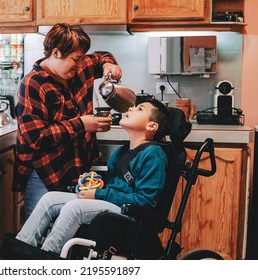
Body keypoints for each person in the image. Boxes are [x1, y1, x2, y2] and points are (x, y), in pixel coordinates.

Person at [15, 98, 171, 255]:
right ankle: (18, 252)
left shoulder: (153, 155)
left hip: (130, 214)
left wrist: (98, 194)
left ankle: (46, 259)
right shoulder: (121, 152)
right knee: (49, 200)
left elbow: (145, 201)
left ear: (152, 126)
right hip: (112, 205)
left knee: (74, 208)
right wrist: (95, 184)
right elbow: (113, 187)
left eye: (140, 109)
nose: (131, 109)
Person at [14, 23, 122, 218]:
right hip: (45, 172)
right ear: (56, 53)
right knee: (40, 232)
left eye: (82, 58)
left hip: (78, 168)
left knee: (71, 229)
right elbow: (36, 138)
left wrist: (109, 64)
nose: (81, 64)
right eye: (75, 59)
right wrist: (82, 124)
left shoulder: (79, 67)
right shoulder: (33, 84)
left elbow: (99, 57)